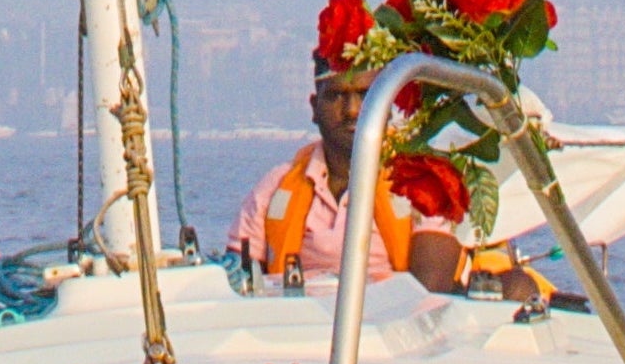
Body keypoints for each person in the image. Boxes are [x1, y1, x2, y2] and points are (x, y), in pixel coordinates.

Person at [229, 54, 555, 304]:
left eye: (365, 95)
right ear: (314, 107)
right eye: (336, 96)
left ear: (386, 106)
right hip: (296, 331)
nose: (353, 110)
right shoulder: (275, 186)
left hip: (395, 337)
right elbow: (234, 279)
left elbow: (431, 290)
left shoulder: (423, 181)